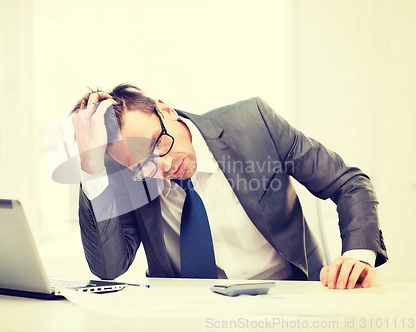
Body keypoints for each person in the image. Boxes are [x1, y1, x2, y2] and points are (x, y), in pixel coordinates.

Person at [70, 84, 388, 290]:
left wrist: (358, 256)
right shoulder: (129, 178)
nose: (163, 167)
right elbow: (109, 268)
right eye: (142, 163)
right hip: (184, 318)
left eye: (158, 142)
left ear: (165, 109)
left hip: (290, 302)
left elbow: (349, 183)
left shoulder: (253, 123)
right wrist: (91, 167)